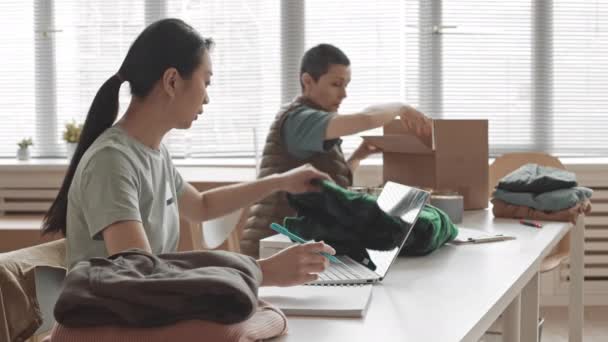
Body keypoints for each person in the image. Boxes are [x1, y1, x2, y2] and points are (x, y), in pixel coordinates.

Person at [41, 18, 335, 287]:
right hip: (107, 324)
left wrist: (281, 181)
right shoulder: (111, 161)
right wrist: (260, 271)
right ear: (172, 81)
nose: (207, 96)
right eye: (205, 82)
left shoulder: (153, 154)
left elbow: (202, 206)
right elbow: (142, 275)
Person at [241, 43, 433, 257]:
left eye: (346, 84)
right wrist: (400, 108)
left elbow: (328, 185)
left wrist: (359, 155)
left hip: (293, 242)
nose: (344, 94)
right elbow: (365, 118)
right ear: (307, 81)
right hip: (274, 246)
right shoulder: (300, 120)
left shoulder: (313, 120)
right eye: (336, 84)